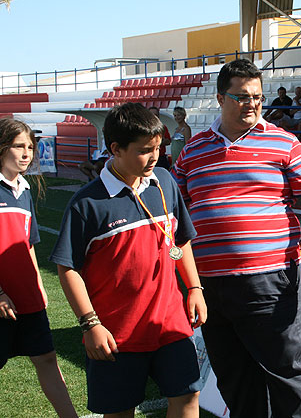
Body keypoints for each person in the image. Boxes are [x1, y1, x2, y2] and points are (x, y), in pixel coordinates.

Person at [172, 59, 301, 418]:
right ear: (220, 98)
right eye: (241, 97)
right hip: (211, 286)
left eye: (257, 97)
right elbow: (175, 209)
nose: (251, 104)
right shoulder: (193, 151)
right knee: (235, 378)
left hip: (270, 281)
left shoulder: (284, 142)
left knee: (288, 373)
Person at [50, 103, 206, 417]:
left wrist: (195, 288)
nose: (155, 157)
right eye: (145, 150)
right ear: (115, 149)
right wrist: (90, 324)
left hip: (171, 325)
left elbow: (180, 240)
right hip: (115, 333)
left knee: (188, 397)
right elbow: (67, 267)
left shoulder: (164, 182)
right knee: (120, 410)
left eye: (158, 148)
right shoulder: (87, 203)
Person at [0, 118, 77, 418]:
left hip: (26, 296)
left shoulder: (25, 189)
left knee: (46, 357)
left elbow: (28, 244)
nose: (26, 153)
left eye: (30, 146)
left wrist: (39, 286)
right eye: (19, 146)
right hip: (2, 299)